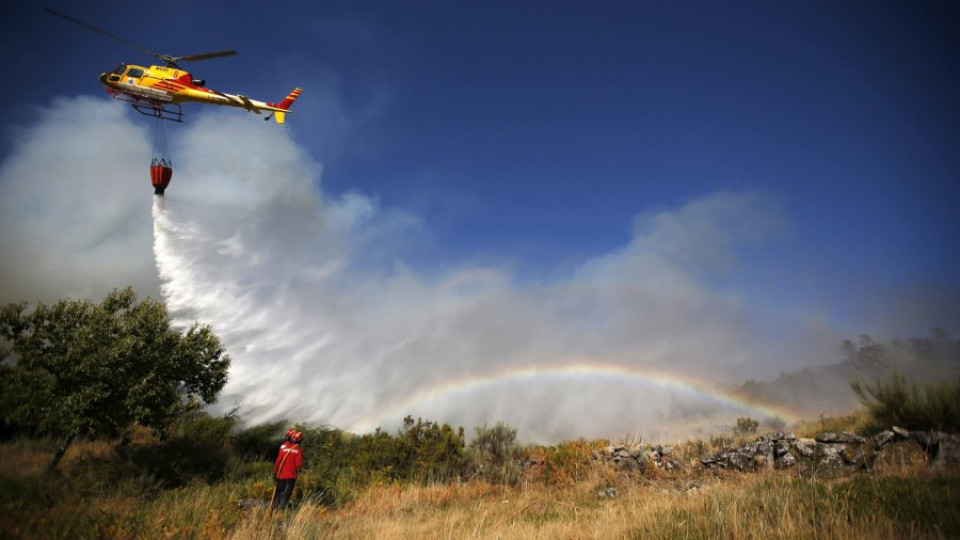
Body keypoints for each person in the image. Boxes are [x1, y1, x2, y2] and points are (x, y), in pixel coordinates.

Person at [272, 428, 303, 510]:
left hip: (281, 475)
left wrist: (275, 473)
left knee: (278, 493)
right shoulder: (299, 451)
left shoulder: (284, 448)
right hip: (291, 476)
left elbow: (278, 461)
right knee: (286, 494)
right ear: (300, 441)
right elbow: (298, 465)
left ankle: (273, 509)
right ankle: (282, 511)